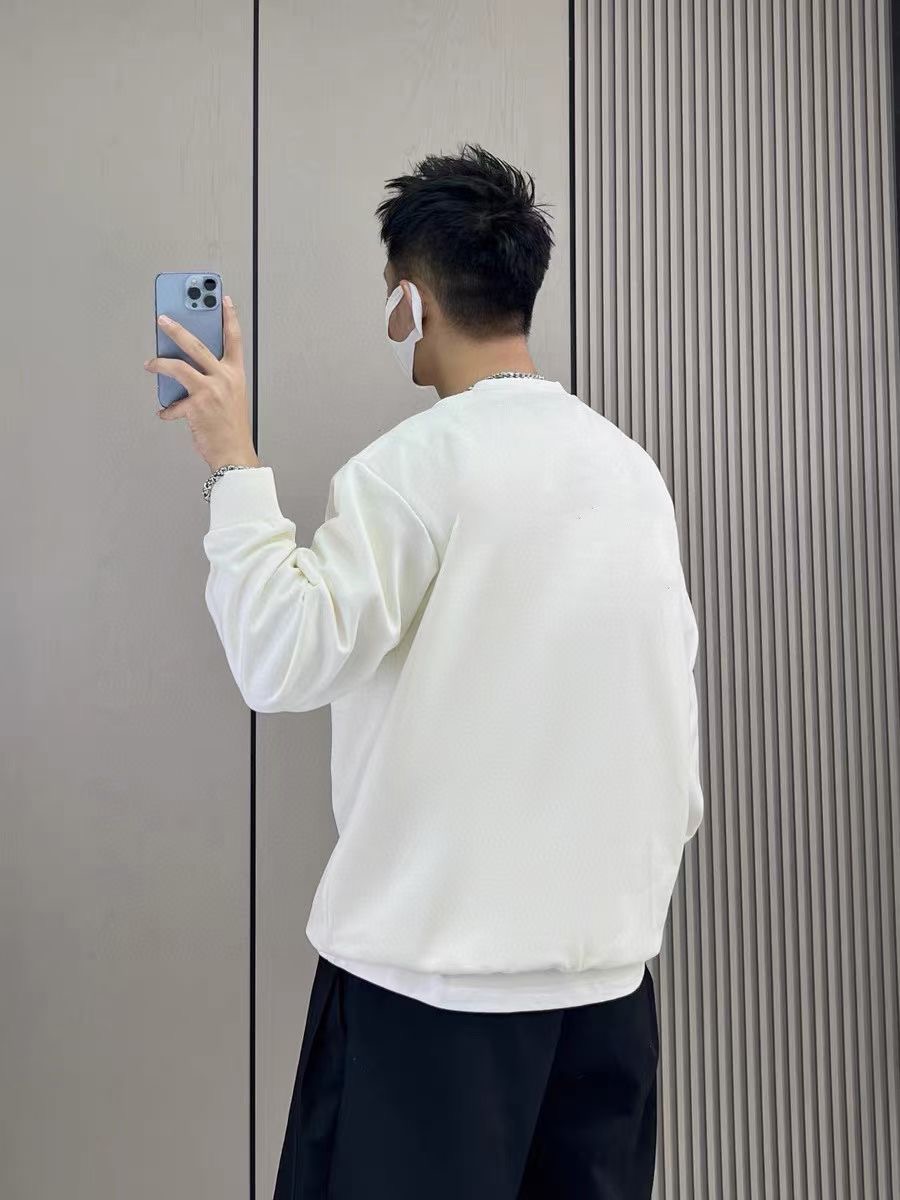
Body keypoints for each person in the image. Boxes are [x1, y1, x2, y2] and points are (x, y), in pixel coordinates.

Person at [201, 143, 703, 1199]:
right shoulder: (629, 471)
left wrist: (232, 465)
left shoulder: (412, 470)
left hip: (432, 1001)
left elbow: (280, 659)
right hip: (607, 992)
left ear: (412, 302)